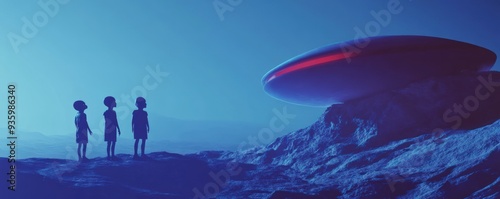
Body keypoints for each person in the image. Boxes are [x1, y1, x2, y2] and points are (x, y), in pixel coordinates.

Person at [103, 96, 121, 160]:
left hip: (111, 128)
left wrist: (118, 128)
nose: (115, 103)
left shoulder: (112, 112)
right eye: (114, 102)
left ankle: (111, 155)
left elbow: (115, 121)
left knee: (112, 142)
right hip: (110, 129)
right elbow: (113, 121)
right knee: (110, 142)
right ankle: (109, 155)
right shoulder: (108, 112)